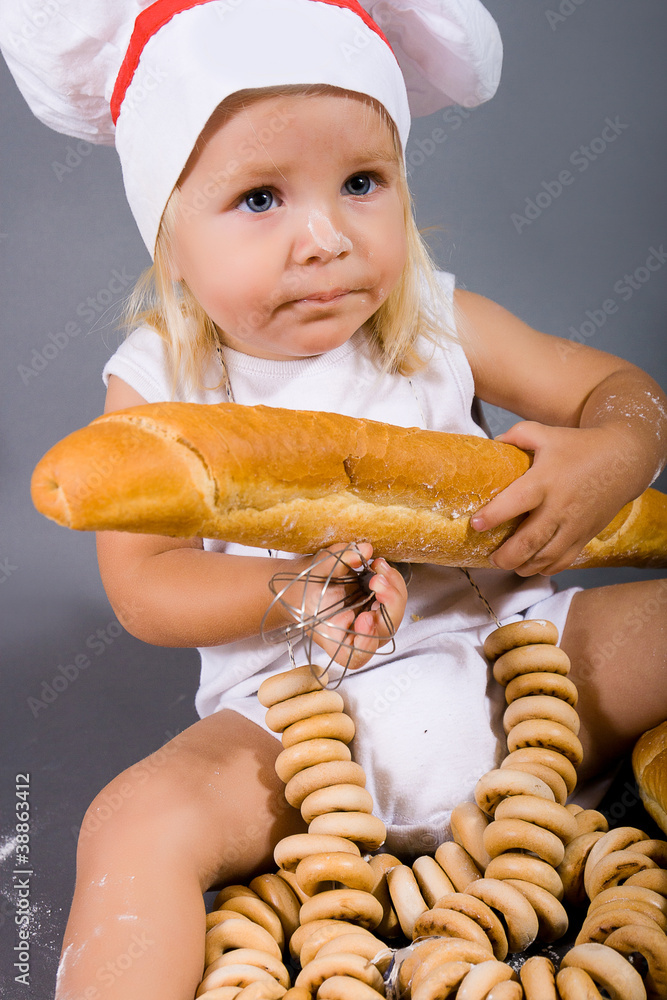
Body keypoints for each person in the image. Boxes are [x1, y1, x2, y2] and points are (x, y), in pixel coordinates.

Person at [2, 2, 665, 998]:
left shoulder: (436, 320)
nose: (324, 239)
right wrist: (292, 592)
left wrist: (615, 454)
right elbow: (143, 588)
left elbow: (618, 391)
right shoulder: (160, 379)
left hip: (521, 661)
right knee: (133, 821)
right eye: (259, 198)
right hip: (294, 725)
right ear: (169, 234)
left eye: (361, 183)